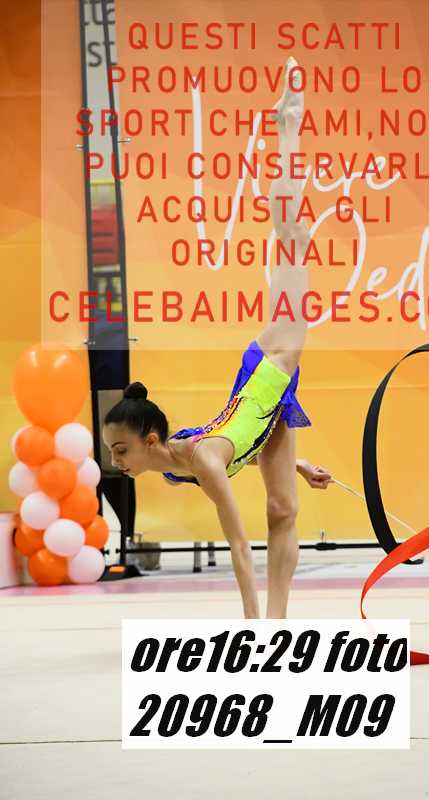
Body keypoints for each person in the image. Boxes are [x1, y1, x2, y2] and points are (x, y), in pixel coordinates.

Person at [102, 58, 332, 618]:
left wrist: (248, 629)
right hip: (266, 406)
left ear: (149, 440)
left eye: (121, 451)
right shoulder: (176, 460)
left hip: (271, 366)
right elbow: (239, 446)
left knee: (292, 236)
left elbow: (237, 545)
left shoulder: (196, 461)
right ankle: (280, 623)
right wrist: (299, 464)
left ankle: (288, 126)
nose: (116, 462)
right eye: (112, 454)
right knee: (283, 508)